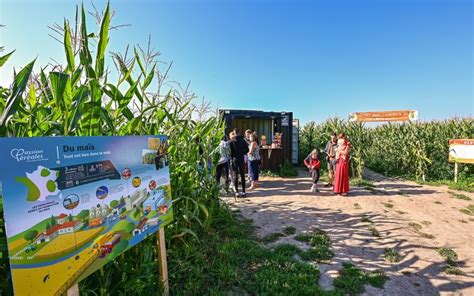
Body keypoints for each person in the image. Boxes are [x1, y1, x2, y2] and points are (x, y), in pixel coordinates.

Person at [229, 128, 249, 197]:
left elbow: (230, 152)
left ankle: (237, 192)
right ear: (239, 132)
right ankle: (243, 191)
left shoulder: (232, 141)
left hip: (234, 159)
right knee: (242, 174)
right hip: (241, 158)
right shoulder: (243, 140)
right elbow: (247, 150)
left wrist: (232, 157)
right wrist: (242, 152)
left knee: (235, 175)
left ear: (234, 133)